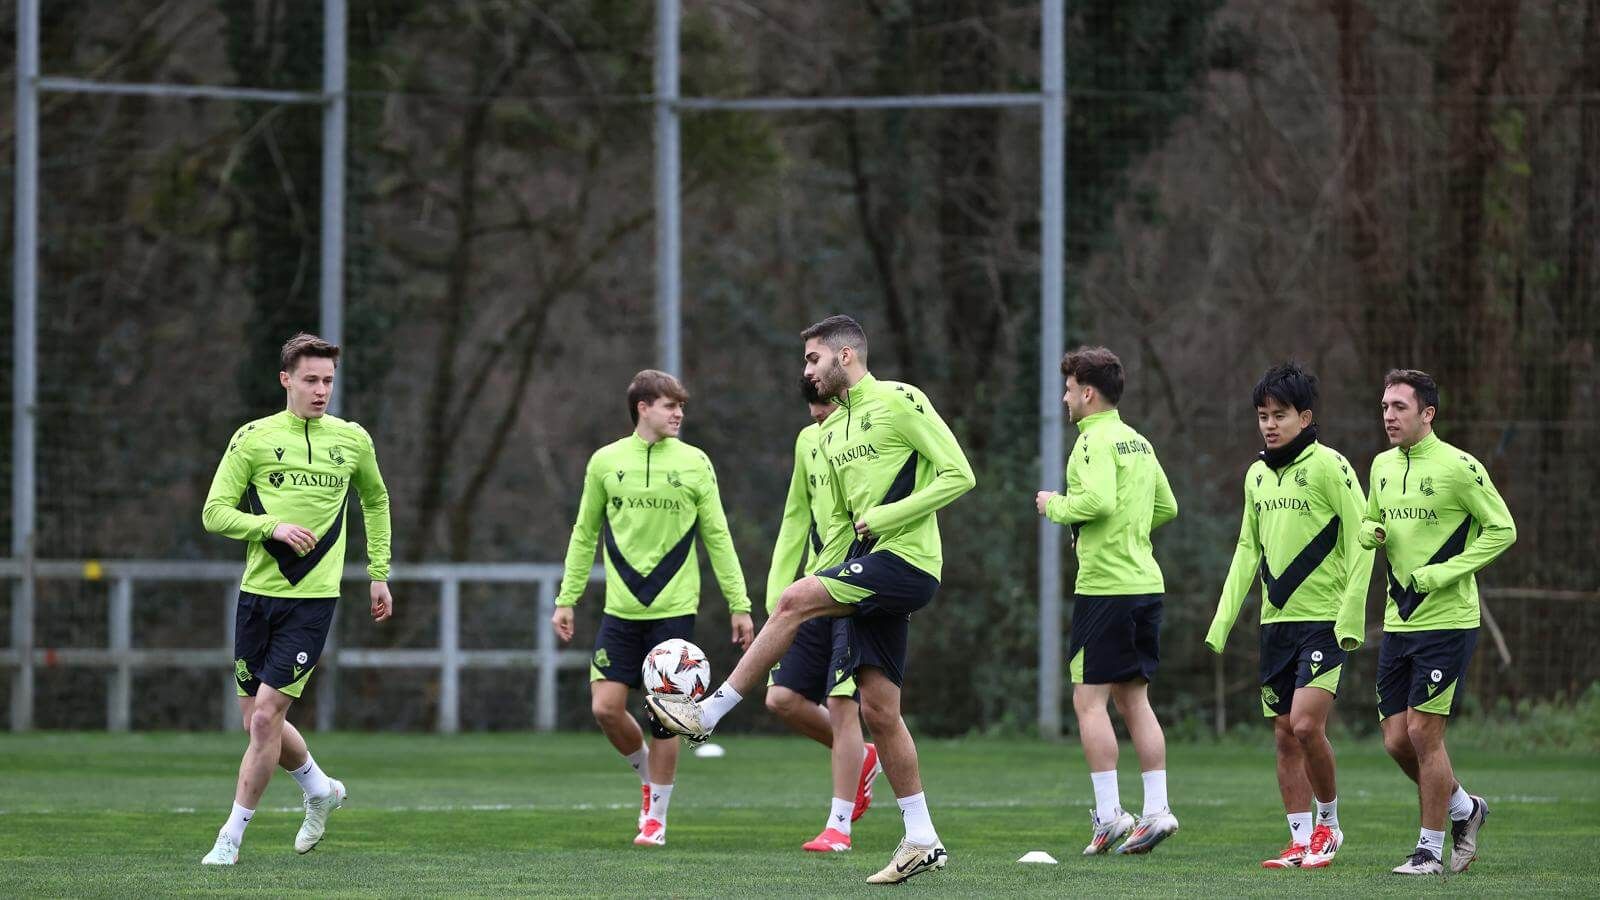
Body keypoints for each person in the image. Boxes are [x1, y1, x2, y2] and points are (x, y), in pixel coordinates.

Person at [649, 315, 976, 885]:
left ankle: (708, 713)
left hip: (908, 563)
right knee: (880, 710)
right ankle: (922, 837)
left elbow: (959, 474)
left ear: (845, 357)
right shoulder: (829, 432)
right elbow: (824, 524)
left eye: (813, 359)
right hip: (868, 571)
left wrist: (889, 517)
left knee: (799, 600)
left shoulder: (900, 401)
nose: (806, 370)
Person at [199, 332, 394, 865]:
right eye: (310, 379)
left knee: (266, 720)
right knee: (255, 721)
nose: (321, 390)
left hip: (313, 602)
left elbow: (376, 501)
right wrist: (271, 527)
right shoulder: (253, 438)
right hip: (257, 597)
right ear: (286, 379)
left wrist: (378, 574)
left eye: (328, 380)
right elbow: (214, 513)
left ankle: (229, 838)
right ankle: (318, 788)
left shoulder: (352, 439)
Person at [551, 369, 754, 847]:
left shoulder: (696, 462)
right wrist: (567, 598)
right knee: (605, 707)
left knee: (666, 715)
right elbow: (585, 534)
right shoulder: (605, 462)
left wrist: (738, 604)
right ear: (642, 407)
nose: (679, 413)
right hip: (620, 612)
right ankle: (648, 776)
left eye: (681, 405)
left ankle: (656, 819)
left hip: (674, 611)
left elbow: (718, 536)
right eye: (669, 405)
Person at [1204, 362, 1372, 869]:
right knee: (1282, 733)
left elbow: (1363, 539)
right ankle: (1299, 840)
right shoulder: (1255, 476)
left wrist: (1352, 614)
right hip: (1275, 624)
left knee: (1304, 725)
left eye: (1280, 415)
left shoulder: (1331, 466)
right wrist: (1223, 619)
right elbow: (1245, 550)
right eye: (1263, 416)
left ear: (1305, 417)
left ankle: (1329, 825)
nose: (1271, 424)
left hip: (1324, 620)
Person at [1361, 369, 1515, 875]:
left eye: (1399, 407)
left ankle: (1428, 850)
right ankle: (1466, 809)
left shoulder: (1459, 467)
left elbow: (1502, 530)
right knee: (1396, 740)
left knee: (1425, 732)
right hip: (1397, 620)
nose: (1389, 415)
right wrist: (1370, 531)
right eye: (1385, 406)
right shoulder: (1380, 466)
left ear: (1427, 413)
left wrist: (1444, 573)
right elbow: (1370, 518)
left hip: (1448, 620)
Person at [1035, 346, 1179, 856]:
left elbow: (1096, 502)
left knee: (1087, 701)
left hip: (1106, 589)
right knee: (1133, 698)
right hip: (1145, 583)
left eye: (1070, 389)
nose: (1065, 398)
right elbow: (1167, 506)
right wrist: (1128, 532)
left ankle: (1110, 815)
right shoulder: (1138, 442)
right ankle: (1157, 811)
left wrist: (1055, 507)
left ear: (1088, 392)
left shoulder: (1092, 441)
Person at [764, 376, 882, 853]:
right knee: (782, 698)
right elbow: (796, 518)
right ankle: (861, 758)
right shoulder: (807, 442)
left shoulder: (874, 436)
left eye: (825, 410)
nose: (817, 418)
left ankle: (838, 828)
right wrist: (780, 595)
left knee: (841, 702)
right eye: (813, 411)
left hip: (857, 586)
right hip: (813, 589)